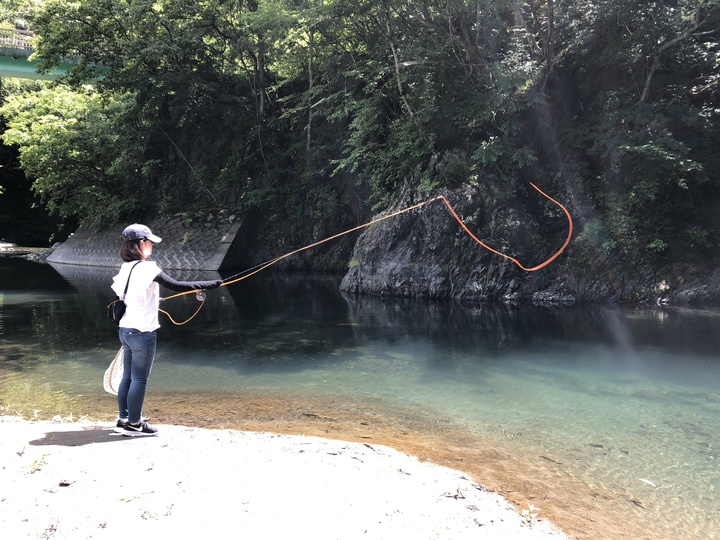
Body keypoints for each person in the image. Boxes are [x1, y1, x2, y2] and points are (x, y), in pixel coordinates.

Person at [111, 223, 222, 437]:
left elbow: (124, 295)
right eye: (149, 241)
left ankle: (123, 418)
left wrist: (154, 298)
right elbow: (177, 285)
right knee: (139, 379)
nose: (152, 245)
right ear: (140, 244)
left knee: (128, 377)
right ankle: (134, 425)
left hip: (125, 329)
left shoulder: (126, 268)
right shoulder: (147, 268)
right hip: (143, 332)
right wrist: (211, 284)